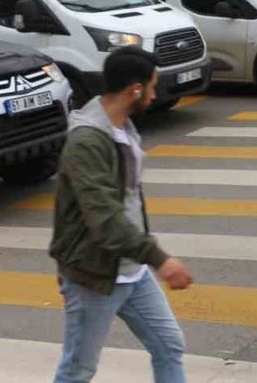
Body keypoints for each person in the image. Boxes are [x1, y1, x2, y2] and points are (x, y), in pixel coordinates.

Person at [50, 47, 192, 383]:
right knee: (78, 370)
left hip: (132, 269)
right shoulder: (87, 141)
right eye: (152, 87)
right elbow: (104, 216)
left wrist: (145, 257)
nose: (155, 95)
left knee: (169, 346)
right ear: (135, 89)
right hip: (94, 274)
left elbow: (128, 199)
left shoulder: (122, 127)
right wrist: (160, 259)